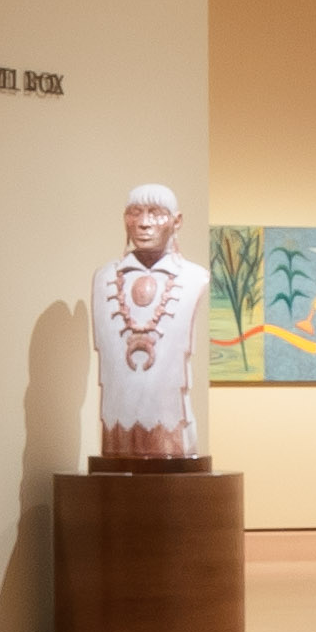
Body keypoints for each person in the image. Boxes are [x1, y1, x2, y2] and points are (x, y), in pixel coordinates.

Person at [85, 182, 207, 469]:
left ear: (176, 221)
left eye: (156, 213)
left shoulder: (194, 277)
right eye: (135, 213)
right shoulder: (104, 277)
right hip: (117, 432)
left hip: (173, 433)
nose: (143, 224)